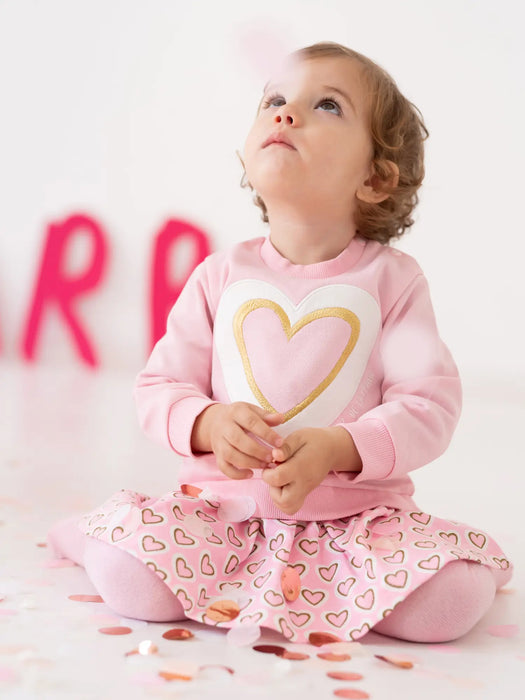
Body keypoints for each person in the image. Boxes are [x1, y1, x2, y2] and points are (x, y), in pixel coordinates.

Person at [49, 42, 512, 644]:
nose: (285, 113)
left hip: (353, 523)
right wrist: (209, 424)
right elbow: (160, 388)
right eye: (273, 100)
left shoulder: (394, 283)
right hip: (221, 518)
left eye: (326, 105)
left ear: (374, 177)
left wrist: (341, 446)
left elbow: (431, 406)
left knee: (448, 604)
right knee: (132, 577)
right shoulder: (219, 275)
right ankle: (97, 538)